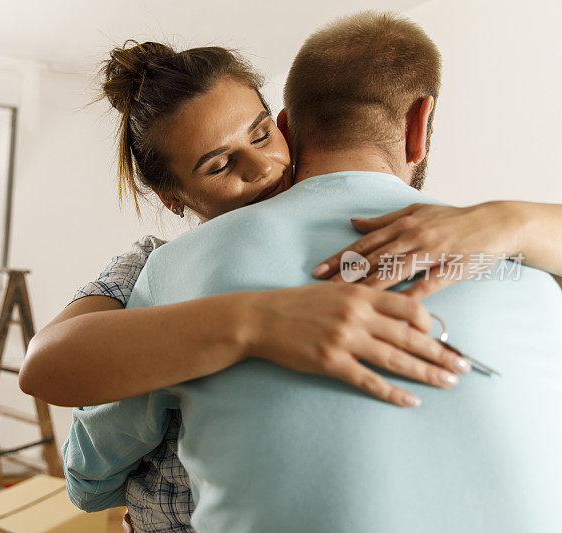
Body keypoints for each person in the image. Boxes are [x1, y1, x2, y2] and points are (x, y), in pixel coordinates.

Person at [60, 12, 562, 533]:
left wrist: (517, 218)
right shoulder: (510, 266)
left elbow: (89, 476)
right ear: (419, 125)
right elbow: (55, 364)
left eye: (259, 137)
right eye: (217, 165)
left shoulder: (175, 274)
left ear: (283, 126)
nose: (260, 170)